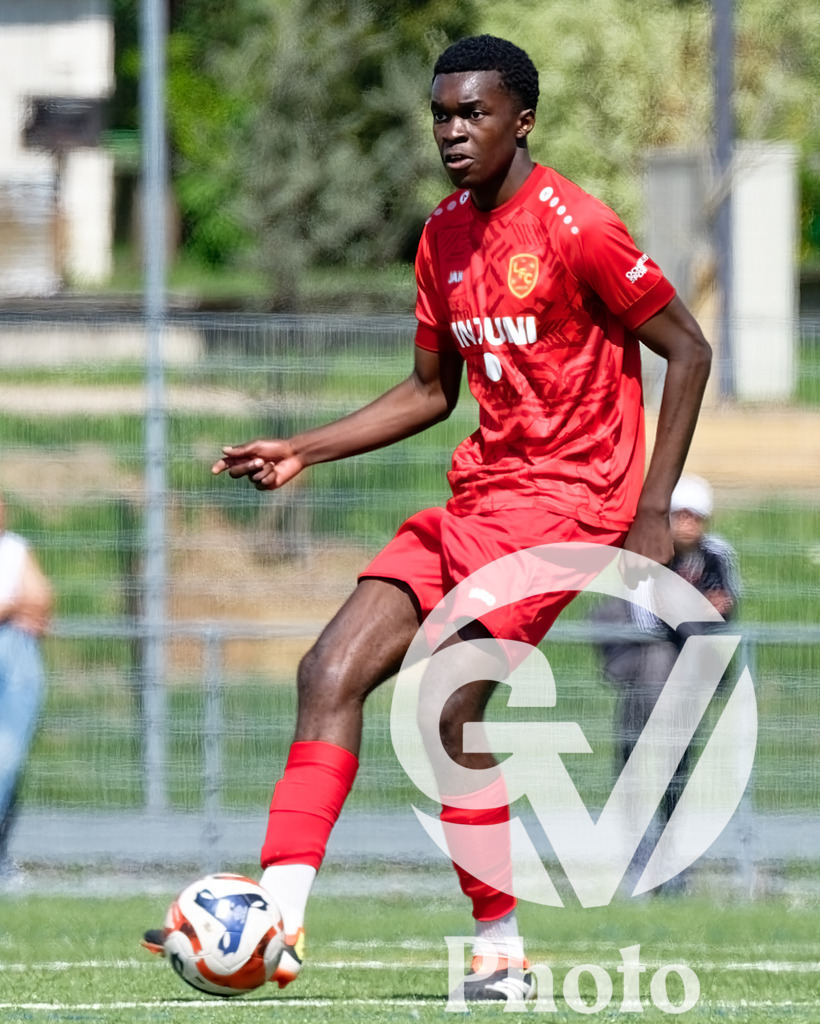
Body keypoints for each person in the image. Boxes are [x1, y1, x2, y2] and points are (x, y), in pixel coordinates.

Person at [143, 34, 712, 1001]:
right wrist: (302, 448)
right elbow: (426, 392)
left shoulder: (579, 227)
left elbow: (688, 349)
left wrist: (653, 509)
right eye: (441, 115)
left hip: (573, 501)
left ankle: (499, 954)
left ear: (520, 121)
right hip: (481, 494)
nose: (452, 131)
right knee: (328, 669)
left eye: (473, 114)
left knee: (450, 696)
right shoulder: (444, 235)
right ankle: (278, 920)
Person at [593, 473, 739, 894]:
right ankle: (638, 859)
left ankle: (673, 863)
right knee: (635, 766)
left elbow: (726, 609)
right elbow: (649, 616)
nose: (688, 523)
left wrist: (684, 612)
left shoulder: (717, 556)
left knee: (678, 770)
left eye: (697, 516)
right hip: (645, 672)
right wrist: (694, 612)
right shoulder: (650, 552)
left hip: (689, 678)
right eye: (682, 514)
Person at [0, 494, 53, 883]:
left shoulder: (15, 548)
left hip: (16, 655)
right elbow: (18, 605)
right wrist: (10, 608)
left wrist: (17, 607)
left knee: (7, 762)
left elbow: (39, 601)